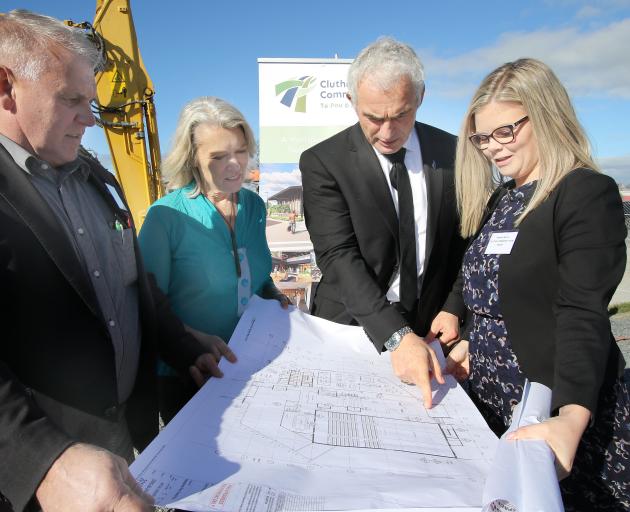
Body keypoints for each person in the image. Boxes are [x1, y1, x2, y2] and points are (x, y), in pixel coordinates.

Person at [0, 10, 230, 512]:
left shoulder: (94, 176)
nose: (91, 117)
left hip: (131, 442)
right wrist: (41, 460)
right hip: (43, 484)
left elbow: (134, 282)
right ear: (5, 86)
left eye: (92, 100)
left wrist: (182, 341)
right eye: (72, 99)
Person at [449, 58, 629, 510]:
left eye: (505, 132)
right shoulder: (503, 197)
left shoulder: (584, 192)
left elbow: (581, 310)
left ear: (546, 115)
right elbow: (498, 285)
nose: (492, 148)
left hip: (553, 406)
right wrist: (471, 337)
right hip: (491, 401)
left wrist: (571, 417)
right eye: (483, 137)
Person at [300, 37, 467, 408]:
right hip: (352, 326)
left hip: (432, 329)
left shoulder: (455, 153)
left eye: (401, 115)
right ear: (351, 102)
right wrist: (395, 335)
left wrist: (455, 305)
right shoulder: (323, 162)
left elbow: (465, 242)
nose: (388, 132)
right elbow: (338, 255)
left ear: (420, 97)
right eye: (373, 118)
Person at [139, 97, 289, 423]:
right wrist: (191, 339)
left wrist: (275, 296)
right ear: (193, 159)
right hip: (189, 373)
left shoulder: (255, 206)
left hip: (248, 365)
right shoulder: (166, 216)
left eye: (240, 150)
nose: (235, 164)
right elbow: (147, 302)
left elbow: (257, 276)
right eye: (219, 156)